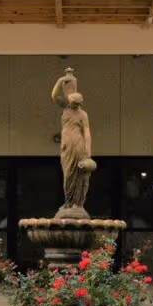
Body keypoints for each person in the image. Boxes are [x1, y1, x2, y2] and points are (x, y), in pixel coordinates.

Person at [51, 69, 95, 214]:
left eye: (77, 104)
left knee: (81, 175)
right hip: (67, 145)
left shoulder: (83, 114)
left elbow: (87, 132)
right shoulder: (65, 108)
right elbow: (54, 95)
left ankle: (78, 203)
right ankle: (68, 202)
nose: (75, 106)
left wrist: (88, 151)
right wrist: (61, 80)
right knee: (68, 175)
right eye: (73, 103)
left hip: (78, 144)